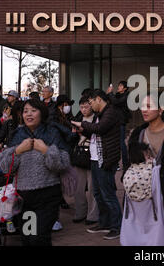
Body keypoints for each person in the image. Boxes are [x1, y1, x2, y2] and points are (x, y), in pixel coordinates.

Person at [120, 93, 164, 246]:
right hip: (139, 196)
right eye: (142, 106)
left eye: (148, 106)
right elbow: (129, 166)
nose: (144, 110)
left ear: (160, 109)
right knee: (139, 236)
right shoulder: (137, 134)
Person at [0, 99, 70, 246]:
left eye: (33, 110)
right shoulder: (18, 134)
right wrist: (18, 150)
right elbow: (5, 167)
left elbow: (63, 163)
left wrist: (46, 150)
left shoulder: (52, 132)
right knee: (27, 237)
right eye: (25, 111)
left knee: (40, 238)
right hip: (24, 198)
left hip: (48, 195)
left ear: (42, 113)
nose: (28, 114)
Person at [71, 89, 122, 240]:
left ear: (98, 99)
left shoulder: (110, 112)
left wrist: (82, 124)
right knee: (98, 194)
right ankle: (104, 223)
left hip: (105, 159)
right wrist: (82, 130)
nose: (91, 106)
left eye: (91, 102)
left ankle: (116, 226)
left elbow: (100, 129)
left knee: (108, 195)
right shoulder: (101, 114)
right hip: (95, 158)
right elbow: (96, 133)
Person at [71, 96, 99, 225]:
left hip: (92, 155)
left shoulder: (97, 119)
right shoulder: (77, 119)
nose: (83, 110)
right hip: (79, 155)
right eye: (81, 107)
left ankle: (93, 215)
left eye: (86, 107)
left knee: (93, 187)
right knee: (78, 187)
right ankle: (80, 212)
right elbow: (71, 137)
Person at [107, 81, 131, 169]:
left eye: (121, 86)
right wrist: (109, 94)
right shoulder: (117, 95)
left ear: (125, 88)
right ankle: (116, 164)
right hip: (115, 121)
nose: (118, 87)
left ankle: (125, 164)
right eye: (119, 85)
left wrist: (110, 94)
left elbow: (116, 102)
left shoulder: (126, 96)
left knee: (121, 143)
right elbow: (111, 102)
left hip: (121, 122)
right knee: (115, 143)